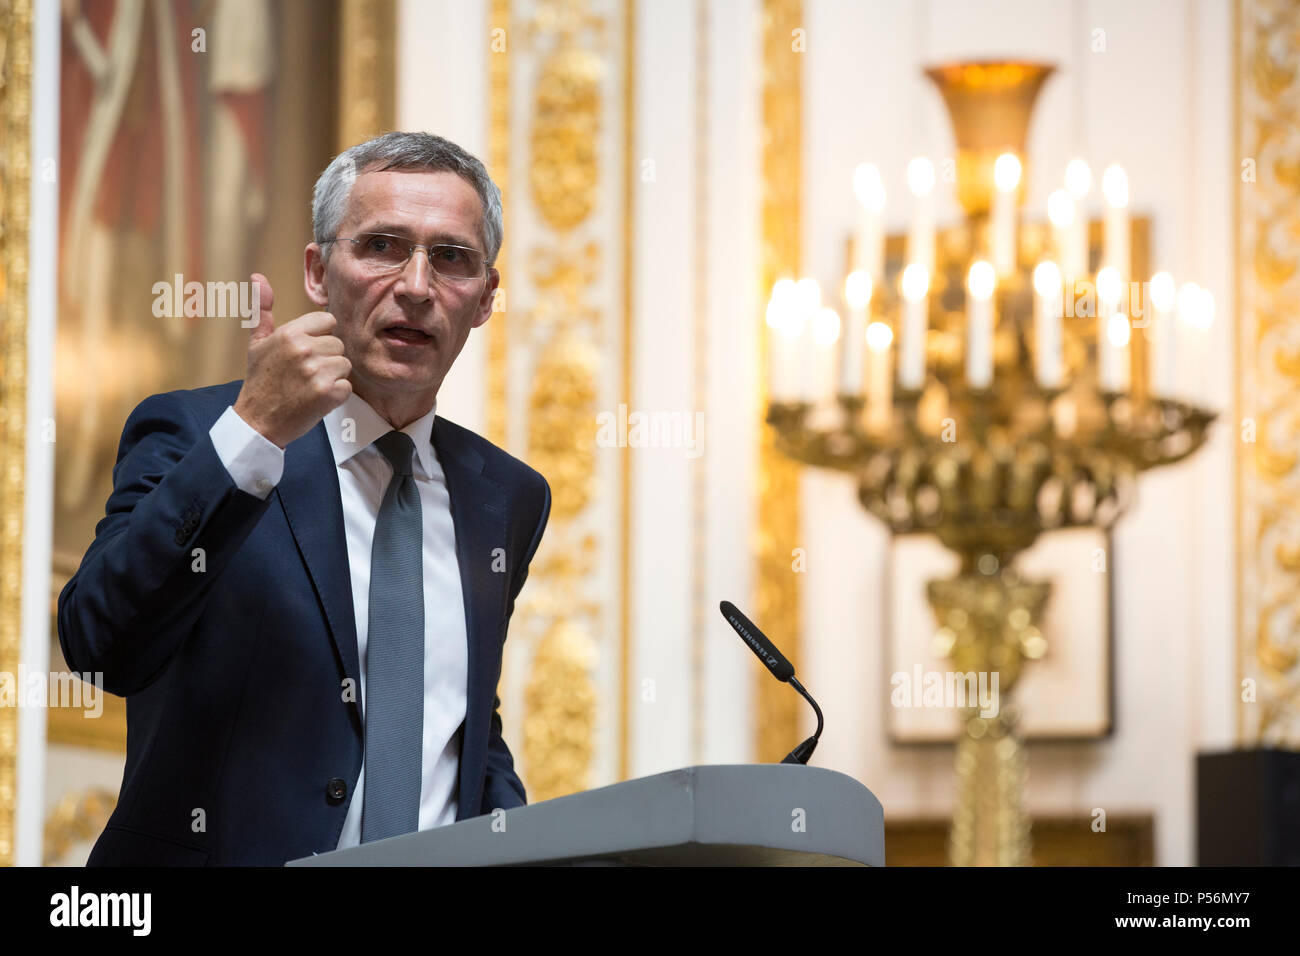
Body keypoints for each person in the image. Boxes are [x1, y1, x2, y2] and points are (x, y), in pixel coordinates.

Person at [57, 131, 551, 866]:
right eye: (382, 246)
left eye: (452, 258)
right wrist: (255, 432)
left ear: (485, 298)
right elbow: (101, 646)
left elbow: (461, 720)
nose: (417, 285)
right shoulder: (198, 432)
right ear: (319, 273)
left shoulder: (506, 495)